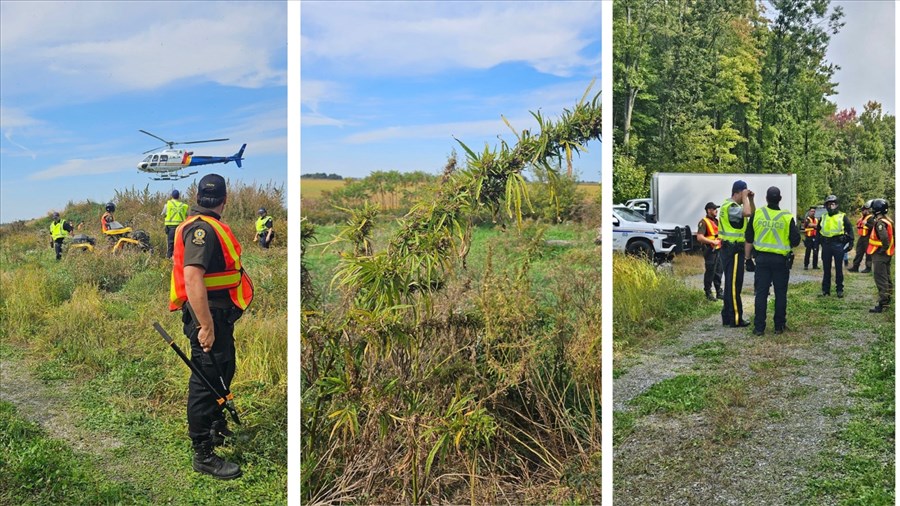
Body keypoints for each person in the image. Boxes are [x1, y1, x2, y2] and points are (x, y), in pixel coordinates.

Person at [169, 173, 254, 480]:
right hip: (208, 318)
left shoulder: (205, 224)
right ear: (225, 199)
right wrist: (206, 326)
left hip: (219, 317)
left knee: (223, 370)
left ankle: (216, 427)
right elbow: (192, 277)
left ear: (198, 197)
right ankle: (203, 453)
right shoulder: (202, 229)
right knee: (205, 383)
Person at [744, 187, 801, 335]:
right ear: (780, 199)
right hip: (780, 261)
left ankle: (759, 328)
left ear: (767, 198)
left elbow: (749, 237)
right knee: (780, 293)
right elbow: (795, 241)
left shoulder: (758, 214)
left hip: (761, 260)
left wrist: (748, 259)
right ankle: (779, 326)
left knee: (761, 294)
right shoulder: (787, 217)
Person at [719, 180, 755, 327]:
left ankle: (727, 316)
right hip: (733, 250)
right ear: (738, 192)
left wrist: (750, 199)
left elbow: (752, 213)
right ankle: (735, 318)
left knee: (730, 284)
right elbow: (746, 212)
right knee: (734, 285)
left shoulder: (729, 205)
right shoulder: (732, 207)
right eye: (743, 193)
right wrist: (746, 198)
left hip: (730, 249)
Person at [816, 195, 854, 298]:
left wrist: (851, 242)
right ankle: (825, 290)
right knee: (826, 269)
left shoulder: (842, 216)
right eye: (829, 204)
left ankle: (839, 290)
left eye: (833, 204)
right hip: (826, 245)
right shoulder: (823, 217)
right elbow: (818, 231)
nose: (831, 206)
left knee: (838, 268)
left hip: (838, 244)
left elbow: (850, 229)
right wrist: (816, 244)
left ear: (836, 205)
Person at [866, 199, 893, 313]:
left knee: (880, 279)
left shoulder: (880, 223)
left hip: (880, 254)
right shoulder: (887, 221)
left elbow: (885, 239)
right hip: (886, 254)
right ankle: (888, 300)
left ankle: (883, 303)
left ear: (876, 210)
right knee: (887, 278)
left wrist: (883, 250)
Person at [696, 202, 723, 301]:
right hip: (709, 250)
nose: (717, 211)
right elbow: (699, 237)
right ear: (709, 210)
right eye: (714, 209)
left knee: (719, 271)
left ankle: (719, 292)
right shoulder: (703, 222)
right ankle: (708, 293)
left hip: (718, 250)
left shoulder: (716, 221)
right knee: (710, 272)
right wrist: (712, 241)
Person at [848, 200, 874, 273]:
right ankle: (855, 267)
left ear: (867, 210)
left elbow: (873, 227)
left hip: (868, 237)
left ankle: (868, 268)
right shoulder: (862, 218)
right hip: (861, 237)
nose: (862, 212)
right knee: (859, 252)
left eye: (863, 210)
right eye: (862, 210)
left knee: (868, 253)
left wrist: (866, 224)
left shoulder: (871, 218)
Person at [162, 189, 189, 259]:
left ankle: (168, 258)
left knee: (170, 243)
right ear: (179, 196)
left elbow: (163, 214)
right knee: (180, 244)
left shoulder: (167, 205)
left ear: (172, 196)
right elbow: (187, 214)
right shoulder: (184, 206)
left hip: (170, 227)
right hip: (181, 228)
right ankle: (179, 258)